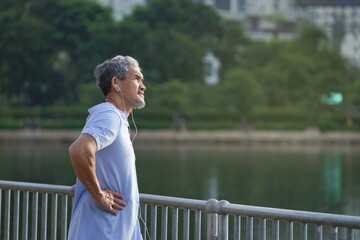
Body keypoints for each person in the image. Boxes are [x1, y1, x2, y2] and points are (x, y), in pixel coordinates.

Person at [68, 55, 146, 240]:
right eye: (136, 79)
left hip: (115, 227)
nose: (143, 86)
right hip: (102, 228)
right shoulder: (109, 114)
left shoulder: (116, 118)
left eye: (142, 80)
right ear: (115, 83)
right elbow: (79, 150)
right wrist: (98, 194)